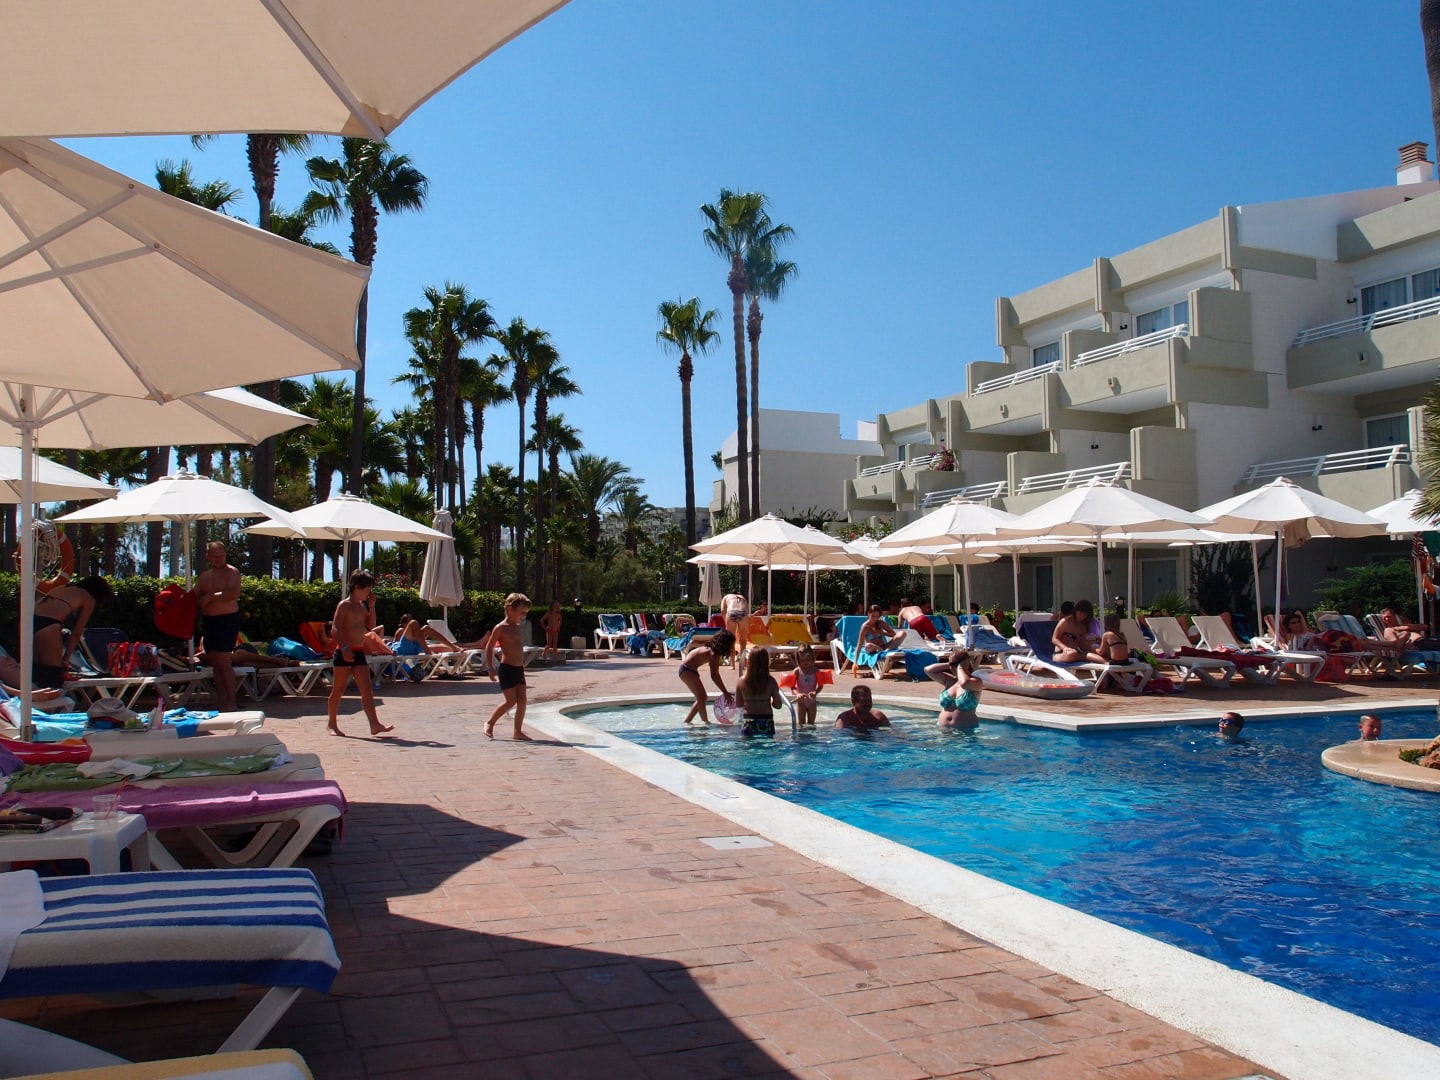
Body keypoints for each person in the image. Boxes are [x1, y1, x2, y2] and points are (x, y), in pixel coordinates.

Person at [326, 570, 394, 738]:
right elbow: (335, 629)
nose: (368, 592)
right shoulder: (344, 605)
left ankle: (374, 724)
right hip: (344, 651)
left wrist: (372, 606)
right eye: (366, 589)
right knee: (338, 689)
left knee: (367, 689)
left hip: (358, 651)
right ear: (357, 587)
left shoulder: (362, 606)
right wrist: (344, 648)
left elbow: (370, 626)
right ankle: (332, 724)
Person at [29, 575, 110, 689]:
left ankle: (33, 700)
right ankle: (55, 700)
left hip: (28, 621)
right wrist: (65, 660)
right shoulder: (88, 599)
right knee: (52, 676)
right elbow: (76, 633)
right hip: (49, 624)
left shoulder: (63, 588)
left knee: (35, 672)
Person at [189, 541, 242, 711]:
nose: (219, 559)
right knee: (215, 663)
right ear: (208, 557)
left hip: (227, 620)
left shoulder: (232, 572)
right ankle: (221, 700)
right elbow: (194, 597)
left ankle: (231, 701)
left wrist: (211, 597)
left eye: (222, 556)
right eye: (216, 556)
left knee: (224, 662)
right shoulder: (205, 576)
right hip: (210, 621)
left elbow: (234, 593)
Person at [484, 593, 534, 740]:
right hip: (507, 669)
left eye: (526, 613)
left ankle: (517, 731)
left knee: (522, 701)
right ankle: (490, 722)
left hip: (519, 669)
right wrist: (490, 668)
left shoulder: (517, 627)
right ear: (510, 609)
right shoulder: (501, 628)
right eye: (522, 612)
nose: (524, 616)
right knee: (511, 701)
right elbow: (489, 647)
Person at [677, 629, 735, 725]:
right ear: (725, 644)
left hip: (689, 670)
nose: (732, 647)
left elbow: (716, 673)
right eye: (731, 644)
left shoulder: (713, 652)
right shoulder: (713, 654)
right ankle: (705, 722)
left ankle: (687, 721)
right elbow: (714, 675)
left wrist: (725, 691)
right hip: (686, 670)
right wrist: (725, 692)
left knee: (702, 697)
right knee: (702, 697)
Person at [926, 649, 982, 728]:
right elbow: (928, 670)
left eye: (954, 664)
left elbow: (964, 683)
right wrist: (951, 664)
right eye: (950, 664)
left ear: (966, 664)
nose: (950, 667)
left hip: (966, 731)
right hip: (943, 730)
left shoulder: (976, 681)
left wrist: (961, 667)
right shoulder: (950, 681)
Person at [737, 647, 783, 736]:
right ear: (766, 662)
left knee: (748, 745)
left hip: (748, 721)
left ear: (749, 661)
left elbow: (738, 704)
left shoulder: (741, 681)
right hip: (766, 721)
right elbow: (778, 705)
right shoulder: (771, 681)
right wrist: (769, 702)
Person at [859, 604, 905, 676]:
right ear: (868, 614)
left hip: (884, 647)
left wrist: (882, 632)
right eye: (873, 616)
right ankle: (884, 652)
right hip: (872, 649)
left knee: (902, 633)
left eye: (877, 616)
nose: (875, 619)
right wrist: (855, 662)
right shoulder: (865, 626)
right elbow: (859, 643)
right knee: (868, 645)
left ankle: (886, 651)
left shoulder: (880, 623)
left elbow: (893, 634)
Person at [791, 644, 822, 727]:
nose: (805, 662)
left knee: (811, 724)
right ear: (798, 660)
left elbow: (820, 685)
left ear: (812, 659)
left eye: (807, 660)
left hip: (812, 701)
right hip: (801, 702)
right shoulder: (797, 671)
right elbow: (792, 687)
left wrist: (815, 692)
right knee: (801, 724)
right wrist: (798, 694)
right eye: (802, 660)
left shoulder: (816, 671)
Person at [721, 592, 750, 658]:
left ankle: (732, 663)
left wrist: (726, 622)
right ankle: (742, 662)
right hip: (743, 613)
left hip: (731, 612)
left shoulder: (726, 596)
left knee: (731, 641)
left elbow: (723, 611)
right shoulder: (743, 597)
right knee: (743, 641)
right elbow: (747, 610)